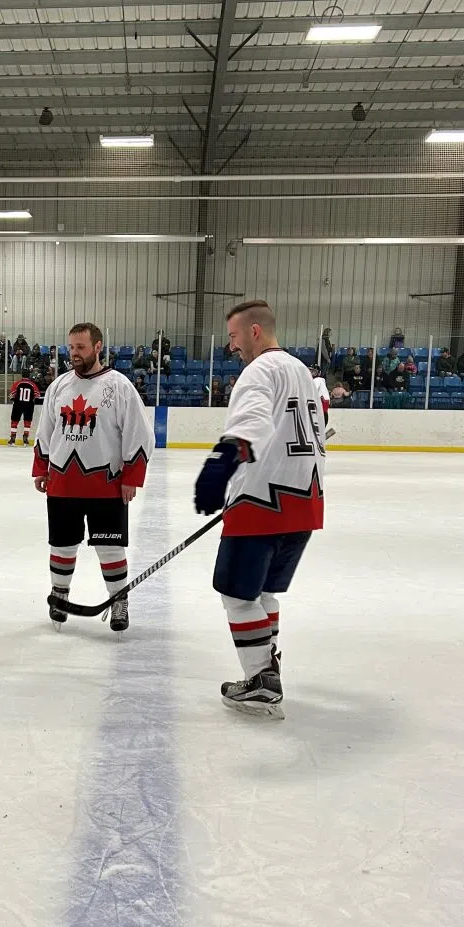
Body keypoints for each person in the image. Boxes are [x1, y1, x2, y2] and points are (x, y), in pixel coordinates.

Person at [194, 300, 325, 719]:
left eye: (233, 336)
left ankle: (261, 682)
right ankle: (268, 664)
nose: (231, 346)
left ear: (253, 331)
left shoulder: (259, 371)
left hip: (262, 502)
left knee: (236, 592)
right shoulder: (302, 372)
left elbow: (252, 425)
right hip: (303, 500)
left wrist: (218, 472)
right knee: (262, 591)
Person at [32, 322, 155, 633]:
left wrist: (132, 476)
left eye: (81, 347)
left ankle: (118, 600)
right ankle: (59, 595)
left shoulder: (120, 386)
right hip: (62, 482)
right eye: (71, 347)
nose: (74, 353)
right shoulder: (59, 385)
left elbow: (139, 434)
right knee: (62, 545)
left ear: (98, 347)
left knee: (110, 548)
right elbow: (45, 431)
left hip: (106, 483)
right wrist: (40, 467)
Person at [9, 374, 41, 445]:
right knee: (27, 422)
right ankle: (25, 438)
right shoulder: (33, 384)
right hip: (29, 405)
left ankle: (13, 439)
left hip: (18, 404)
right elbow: (37, 396)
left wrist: (15, 399)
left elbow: (12, 395)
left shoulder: (17, 383)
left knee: (14, 421)